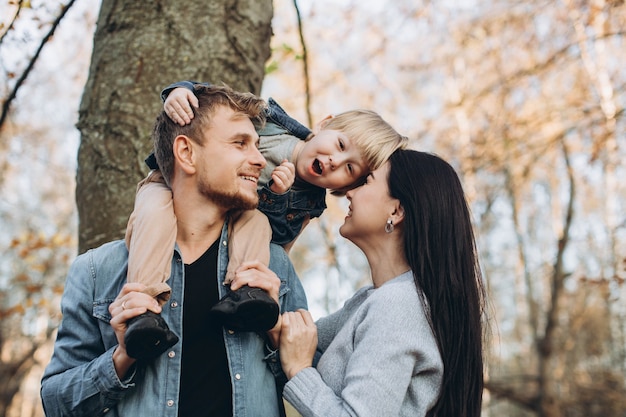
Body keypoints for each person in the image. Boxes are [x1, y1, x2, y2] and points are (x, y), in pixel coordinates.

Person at [40, 84, 308, 417]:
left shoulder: (274, 268)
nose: (258, 160)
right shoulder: (97, 271)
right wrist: (122, 357)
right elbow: (55, 403)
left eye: (256, 145)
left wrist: (274, 333)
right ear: (186, 153)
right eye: (240, 143)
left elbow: (307, 393)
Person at [122, 80, 409, 349]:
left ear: (346, 187)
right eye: (341, 145)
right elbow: (218, 104)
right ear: (324, 124)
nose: (336, 161)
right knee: (152, 212)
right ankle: (142, 307)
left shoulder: (307, 204)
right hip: (168, 181)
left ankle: (248, 292)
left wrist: (275, 197)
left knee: (256, 223)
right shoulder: (270, 122)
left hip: (231, 217)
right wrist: (180, 91)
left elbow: (279, 244)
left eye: (349, 169)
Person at [277, 149, 487, 417]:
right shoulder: (374, 298)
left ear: (396, 210)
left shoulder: (397, 305)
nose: (350, 192)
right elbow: (303, 340)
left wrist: (299, 370)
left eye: (366, 181)